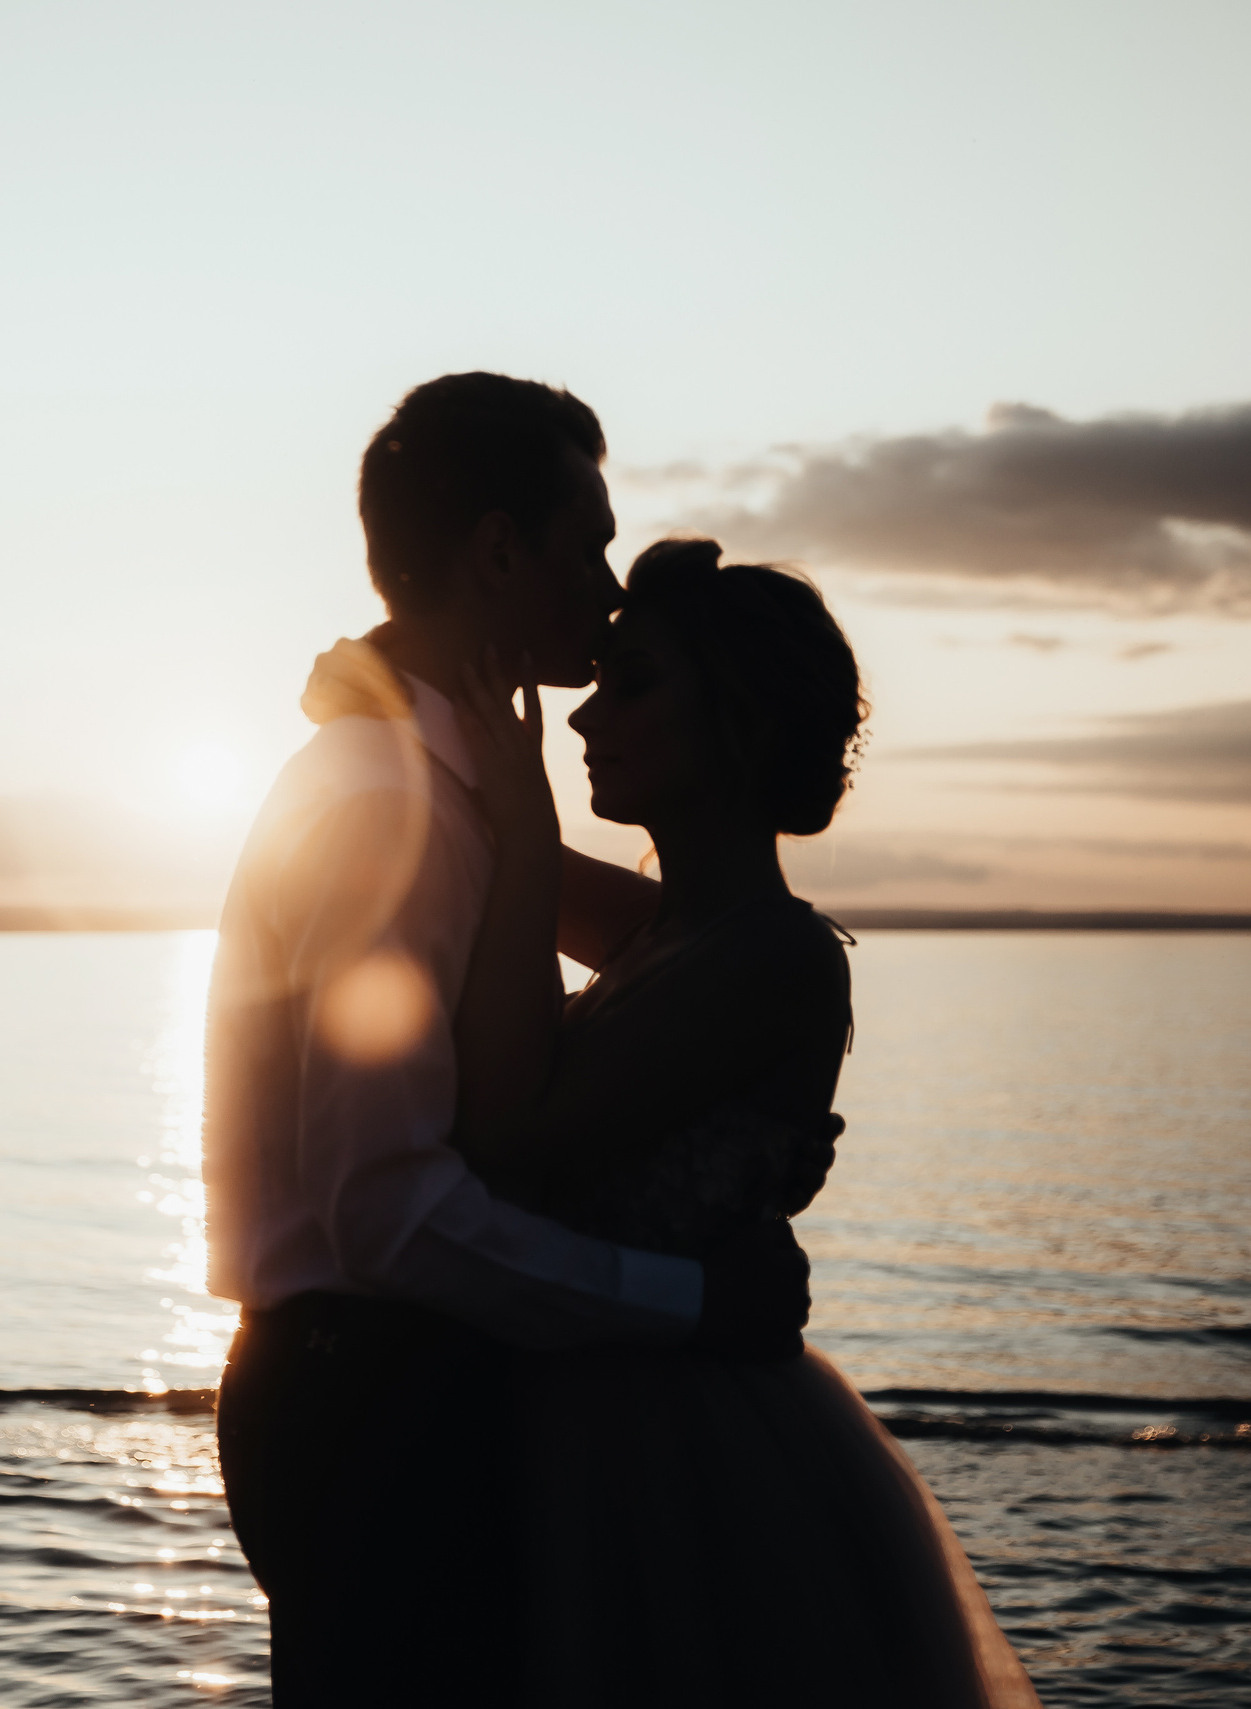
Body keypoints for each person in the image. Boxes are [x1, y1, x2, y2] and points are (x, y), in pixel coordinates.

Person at [203, 374, 815, 1704]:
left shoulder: (435, 787)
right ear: (497, 550)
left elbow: (694, 944)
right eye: (586, 542)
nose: (604, 588)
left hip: (387, 1390)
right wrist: (697, 1305)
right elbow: (391, 1214)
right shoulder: (388, 807)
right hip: (372, 1404)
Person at [446, 536, 1043, 1707]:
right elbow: (493, 863)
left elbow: (512, 1134)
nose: (584, 721)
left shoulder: (773, 956)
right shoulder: (674, 930)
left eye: (637, 684)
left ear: (741, 725)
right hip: (581, 1409)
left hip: (668, 1455)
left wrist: (516, 826)